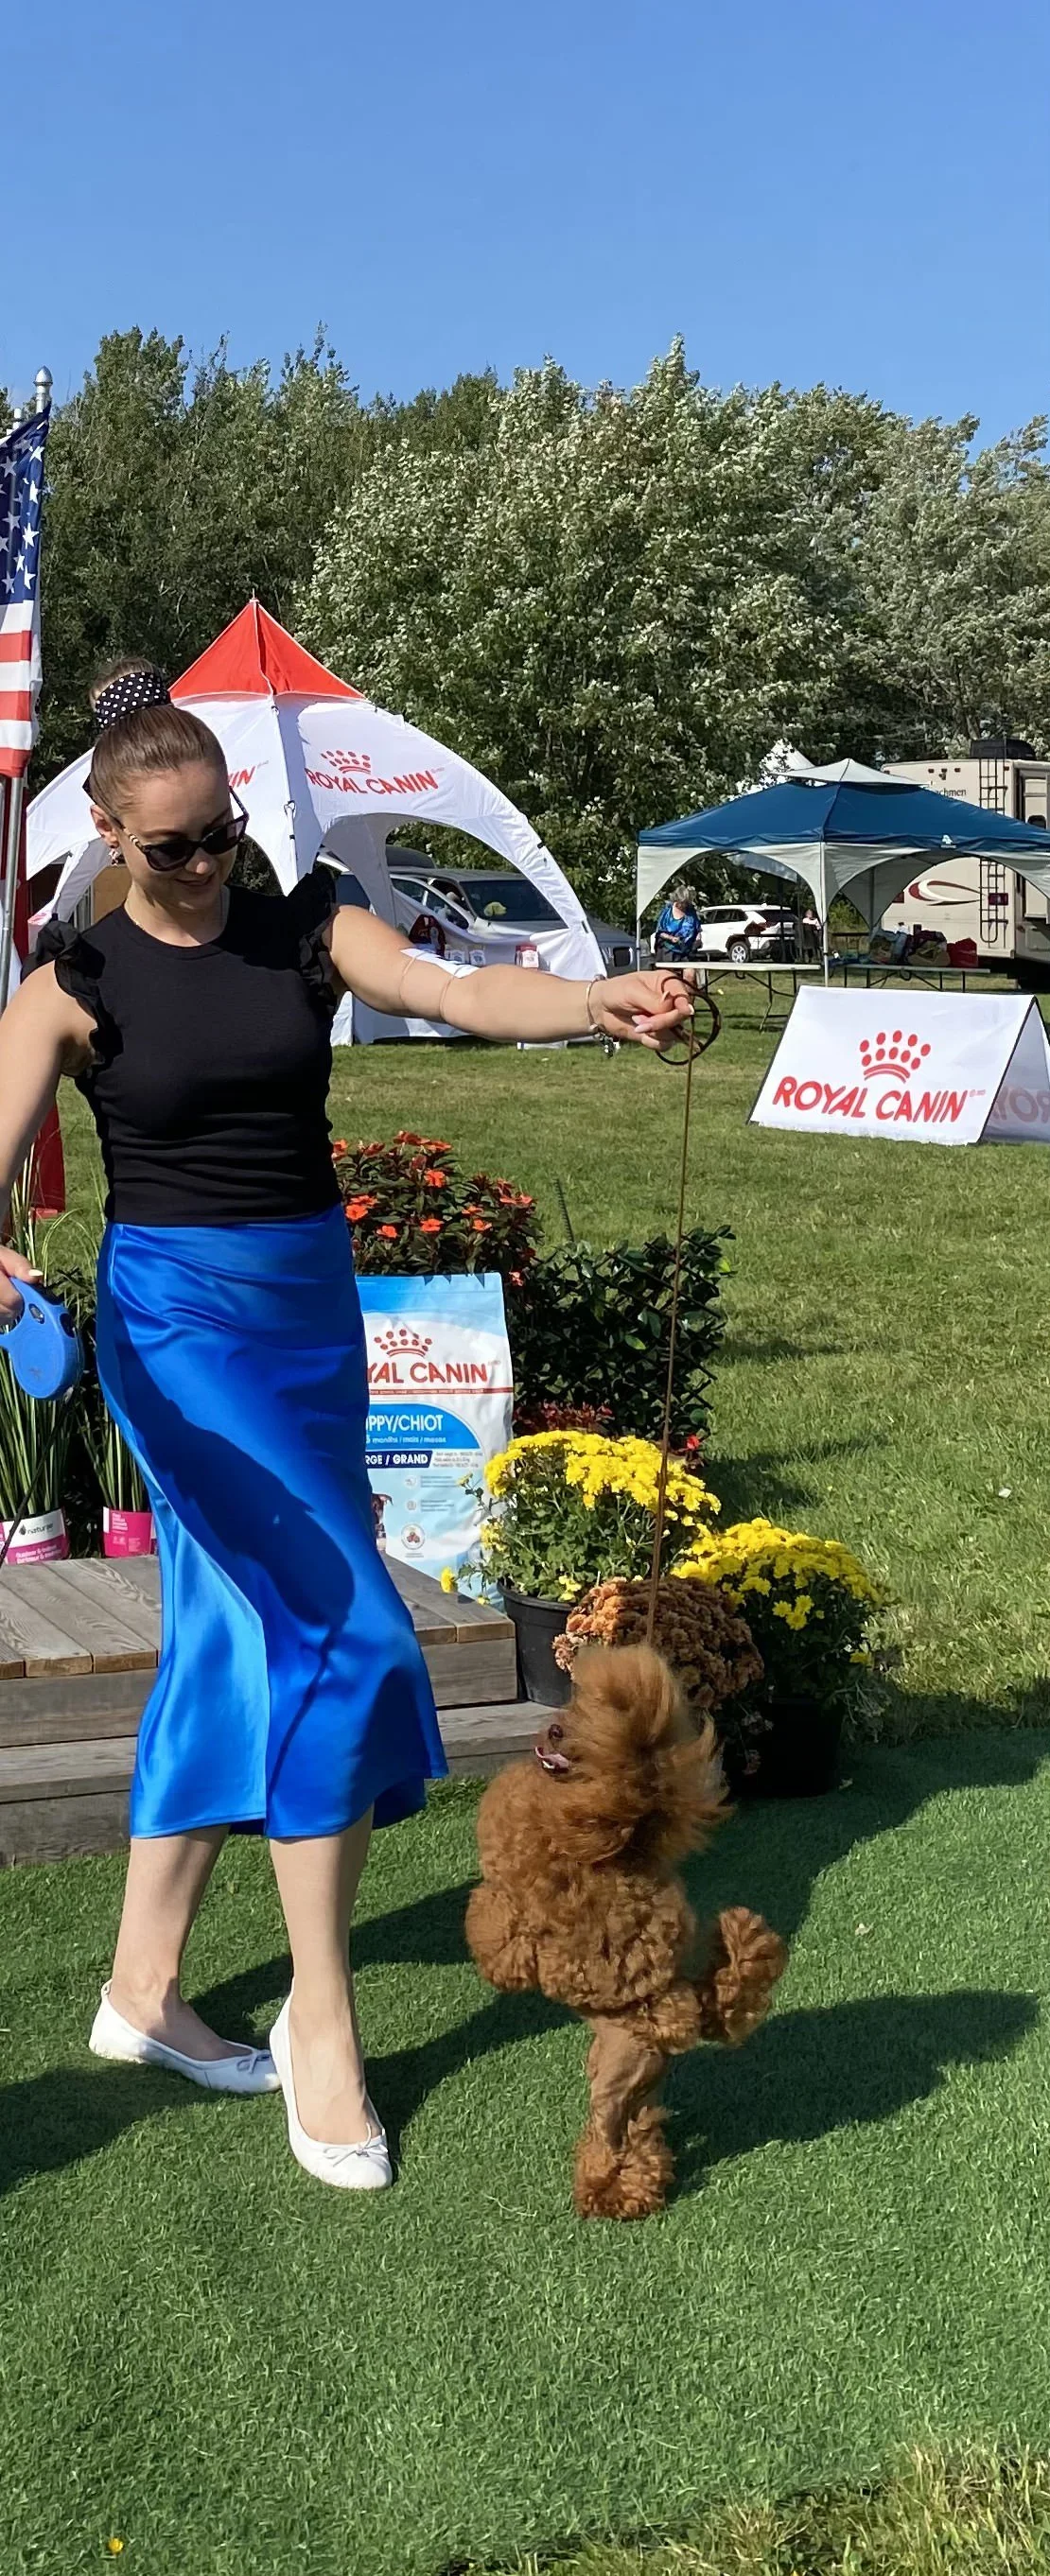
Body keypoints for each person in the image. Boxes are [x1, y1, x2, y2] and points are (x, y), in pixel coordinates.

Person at [0, 661, 694, 2194]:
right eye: (173, 844)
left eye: (223, 834)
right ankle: (323, 2011)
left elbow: (455, 990)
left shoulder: (307, 924)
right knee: (349, 1632)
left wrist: (588, 998)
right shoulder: (73, 985)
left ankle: (142, 1989)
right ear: (111, 835)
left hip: (311, 1318)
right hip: (179, 1338)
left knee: (225, 1640)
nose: (206, 863)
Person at [654, 883, 700, 962]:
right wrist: (671, 938)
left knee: (690, 969)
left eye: (686, 902)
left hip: (687, 952)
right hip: (668, 951)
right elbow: (660, 932)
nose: (684, 905)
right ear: (676, 900)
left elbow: (697, 930)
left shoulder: (691, 911)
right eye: (682, 902)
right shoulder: (667, 911)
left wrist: (698, 940)